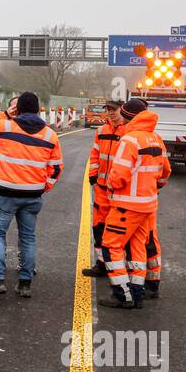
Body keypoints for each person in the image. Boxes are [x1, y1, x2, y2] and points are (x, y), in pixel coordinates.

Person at [0, 91, 63, 299]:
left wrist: (7, 113)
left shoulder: (5, 126)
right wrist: (44, 188)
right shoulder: (50, 135)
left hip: (6, 193)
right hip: (33, 195)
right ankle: (25, 283)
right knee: (28, 238)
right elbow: (57, 168)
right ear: (38, 109)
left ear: (19, 108)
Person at [98, 97, 170, 309]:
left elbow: (118, 176)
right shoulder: (156, 139)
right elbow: (165, 173)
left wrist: (109, 185)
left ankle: (122, 294)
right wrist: (153, 188)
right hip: (148, 205)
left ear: (129, 117)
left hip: (125, 205)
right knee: (139, 247)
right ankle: (137, 292)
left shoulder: (129, 140)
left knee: (111, 246)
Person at [82, 99, 124, 278]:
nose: (111, 113)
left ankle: (118, 267)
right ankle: (101, 263)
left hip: (120, 191)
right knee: (98, 228)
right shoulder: (101, 131)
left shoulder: (129, 132)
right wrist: (93, 174)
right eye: (108, 110)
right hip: (101, 190)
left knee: (118, 231)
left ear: (122, 110)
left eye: (114, 110)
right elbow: (95, 154)